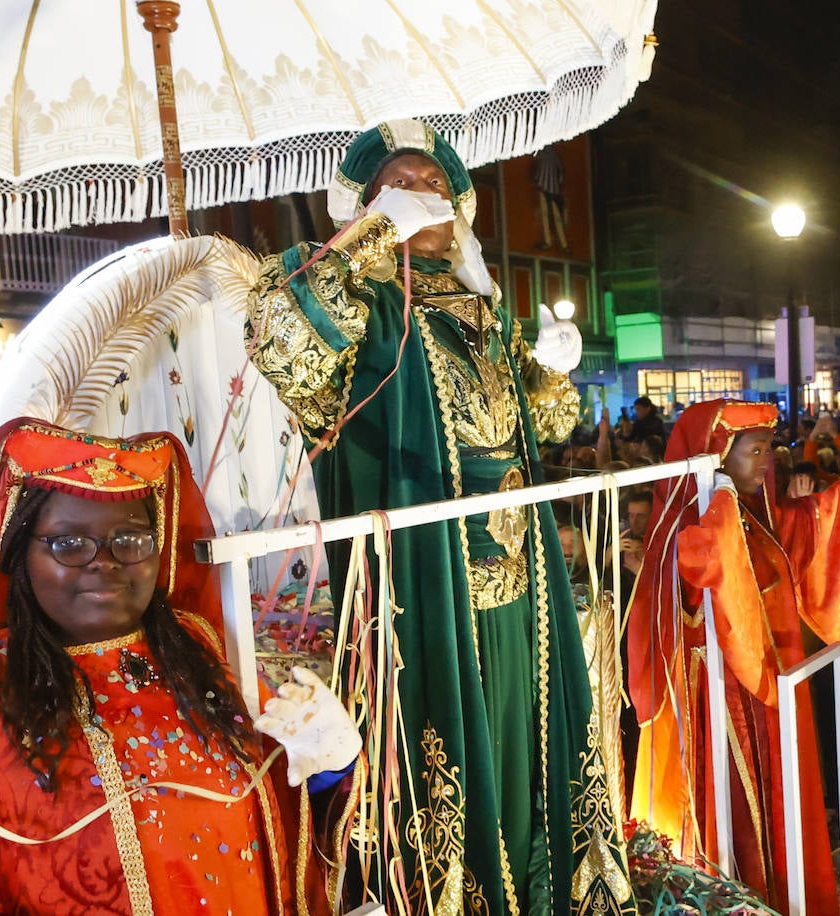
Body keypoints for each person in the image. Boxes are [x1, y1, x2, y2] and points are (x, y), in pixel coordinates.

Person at [245, 119, 631, 915]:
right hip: (425, 577)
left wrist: (556, 371)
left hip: (518, 576)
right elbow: (285, 348)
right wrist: (372, 236)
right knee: (451, 746)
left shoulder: (486, 312)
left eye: (435, 187)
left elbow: (542, 427)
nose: (424, 199)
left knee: (527, 733)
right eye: (400, 185)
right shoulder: (355, 300)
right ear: (362, 204)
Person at [0, 419, 359, 914]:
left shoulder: (198, 650)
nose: (105, 561)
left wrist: (329, 768)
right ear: (20, 554)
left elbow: (277, 810)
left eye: (131, 539)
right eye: (69, 543)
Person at [626, 400, 840, 913]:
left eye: (771, 448)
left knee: (782, 814)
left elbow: (811, 525)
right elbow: (704, 567)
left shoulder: (753, 515)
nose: (768, 461)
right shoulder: (693, 523)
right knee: (741, 824)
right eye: (756, 450)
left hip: (774, 695)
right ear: (718, 454)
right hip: (729, 709)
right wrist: (716, 496)